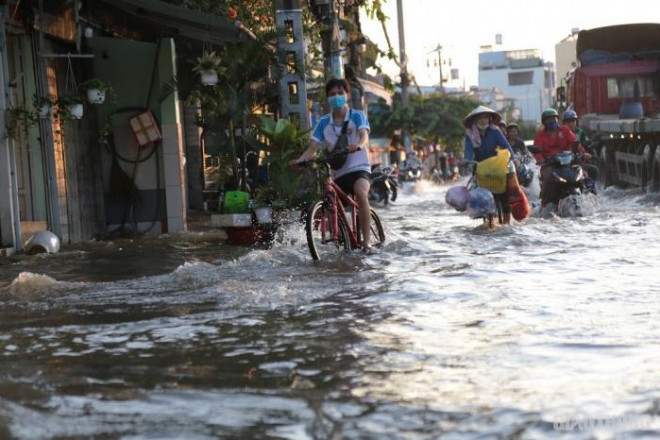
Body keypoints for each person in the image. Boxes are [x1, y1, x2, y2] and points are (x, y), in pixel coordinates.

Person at [289, 78, 373, 253]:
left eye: (340, 93)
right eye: (332, 94)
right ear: (327, 98)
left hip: (359, 168)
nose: (336, 97)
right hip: (338, 173)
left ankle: (367, 242)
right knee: (330, 204)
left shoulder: (357, 115)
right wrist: (301, 160)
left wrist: (359, 145)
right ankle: (338, 238)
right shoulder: (323, 122)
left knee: (360, 193)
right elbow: (312, 147)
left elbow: (364, 136)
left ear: (347, 95)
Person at [463, 105, 516, 224]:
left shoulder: (495, 131)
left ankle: (507, 221)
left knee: (505, 192)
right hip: (479, 166)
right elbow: (468, 152)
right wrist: (467, 161)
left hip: (496, 166)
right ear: (475, 121)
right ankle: (484, 216)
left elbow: (506, 146)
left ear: (489, 119)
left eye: (485, 118)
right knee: (479, 193)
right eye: (480, 118)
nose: (483, 120)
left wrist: (513, 158)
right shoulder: (470, 134)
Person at [532, 108, 585, 207]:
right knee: (548, 177)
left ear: (557, 120)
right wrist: (540, 159)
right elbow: (537, 151)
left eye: (554, 119)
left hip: (567, 164)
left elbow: (575, 144)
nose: (552, 121)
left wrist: (583, 153)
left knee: (582, 173)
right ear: (544, 122)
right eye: (549, 120)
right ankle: (545, 202)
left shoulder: (565, 130)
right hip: (549, 165)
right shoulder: (540, 136)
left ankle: (586, 196)